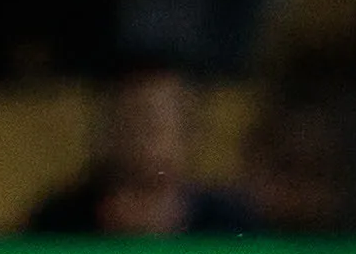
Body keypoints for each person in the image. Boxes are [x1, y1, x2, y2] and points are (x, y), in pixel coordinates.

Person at [27, 66, 257, 236]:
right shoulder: (57, 225)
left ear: (191, 132)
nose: (136, 136)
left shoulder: (231, 226)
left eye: (150, 122)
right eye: (122, 120)